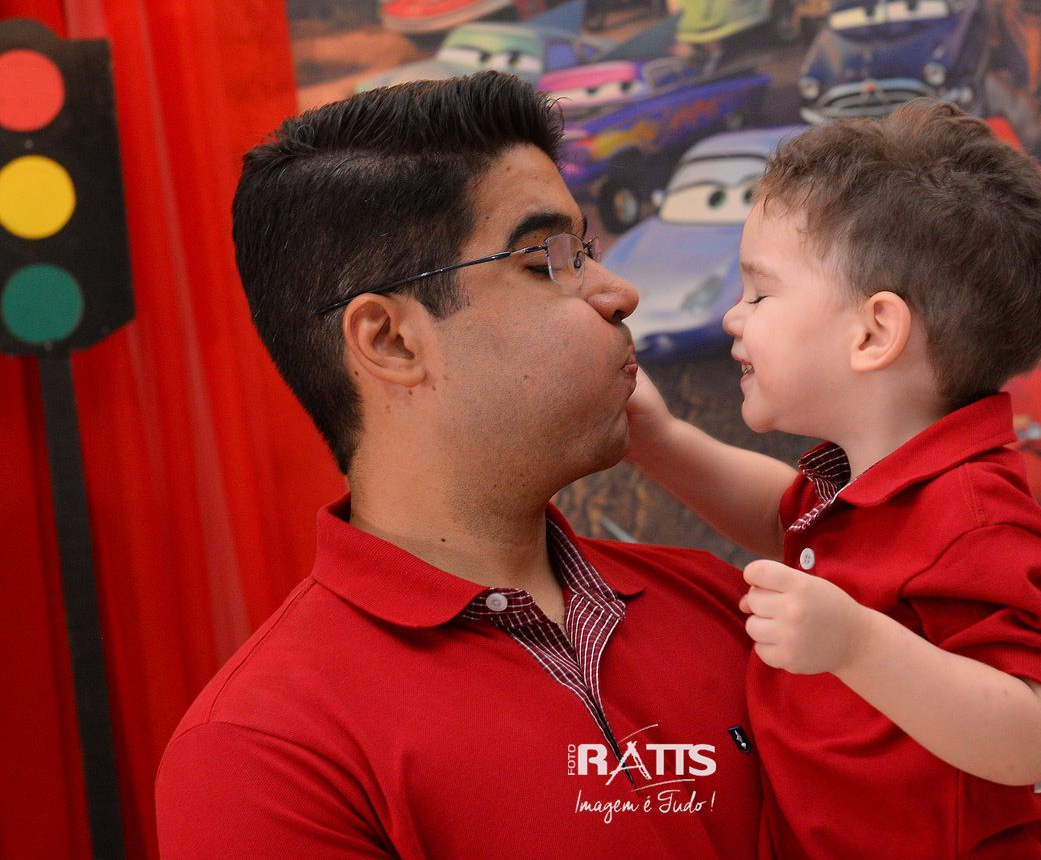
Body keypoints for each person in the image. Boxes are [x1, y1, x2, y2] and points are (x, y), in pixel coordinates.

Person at [154, 72, 762, 859]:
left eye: (585, 250)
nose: (619, 293)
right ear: (390, 340)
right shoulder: (264, 751)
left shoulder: (723, 606)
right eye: (549, 259)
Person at [626, 101, 1041, 858]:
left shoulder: (976, 518)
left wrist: (853, 642)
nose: (733, 319)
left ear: (875, 332)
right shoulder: (862, 485)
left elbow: (1031, 733)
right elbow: (781, 517)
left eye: (759, 293)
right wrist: (662, 443)